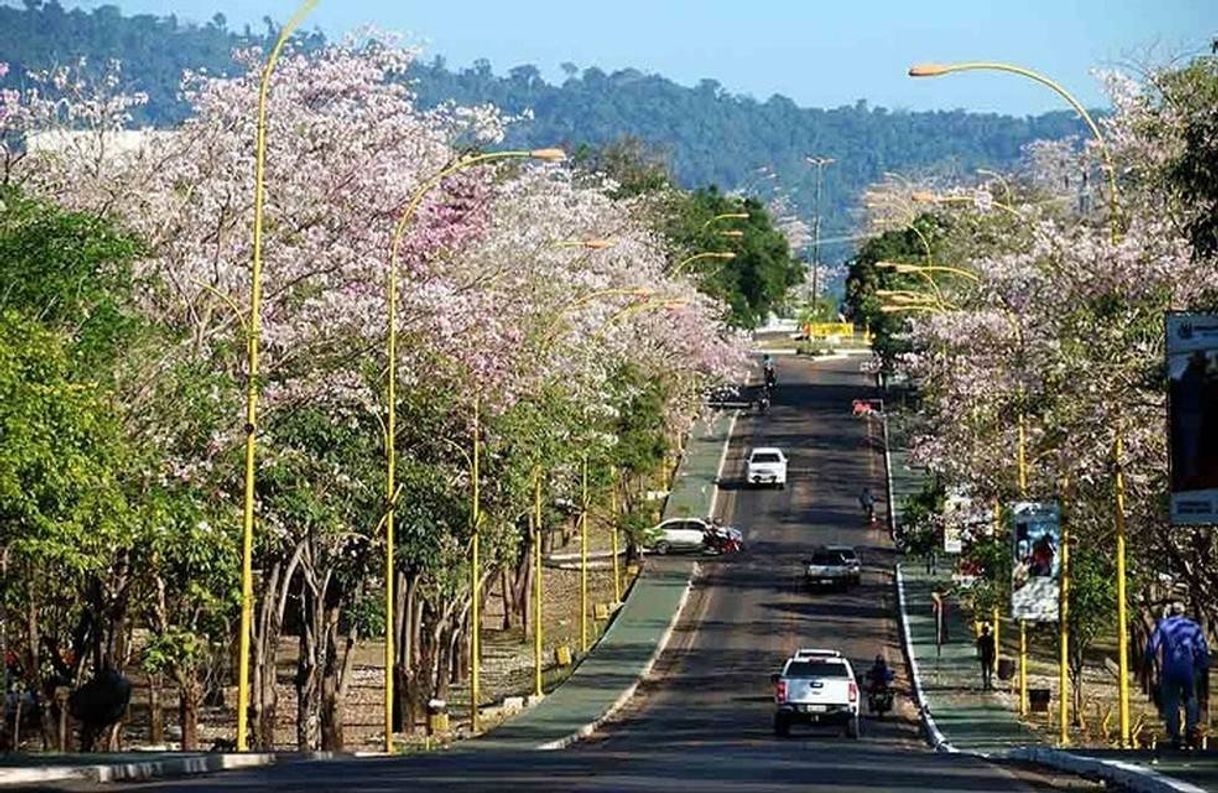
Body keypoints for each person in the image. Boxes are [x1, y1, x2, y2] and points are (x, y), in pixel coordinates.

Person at [1145, 601, 1210, 749]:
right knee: (1191, 700)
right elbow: (1202, 650)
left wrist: (1149, 661)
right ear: (1184, 612)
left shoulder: (1163, 625)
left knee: (1171, 702)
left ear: (1171, 612)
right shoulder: (1192, 627)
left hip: (1169, 670)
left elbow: (1151, 647)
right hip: (1189, 670)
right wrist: (1201, 668)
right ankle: (1190, 731)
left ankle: (1175, 735)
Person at [976, 623, 996, 691]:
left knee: (984, 670)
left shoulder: (980, 638)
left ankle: (985, 683)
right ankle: (989, 682)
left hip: (984, 655)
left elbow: (978, 648)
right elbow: (993, 648)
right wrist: (994, 655)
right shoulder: (991, 639)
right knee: (990, 670)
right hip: (989, 655)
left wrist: (978, 655)